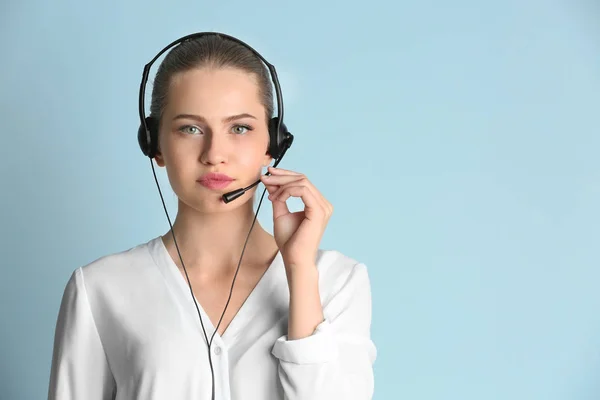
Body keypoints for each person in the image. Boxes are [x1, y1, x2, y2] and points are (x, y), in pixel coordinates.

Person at [47, 32, 377, 400]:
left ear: (273, 143)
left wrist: (299, 272)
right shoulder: (99, 289)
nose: (214, 153)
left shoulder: (337, 282)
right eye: (190, 128)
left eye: (240, 128)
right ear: (154, 144)